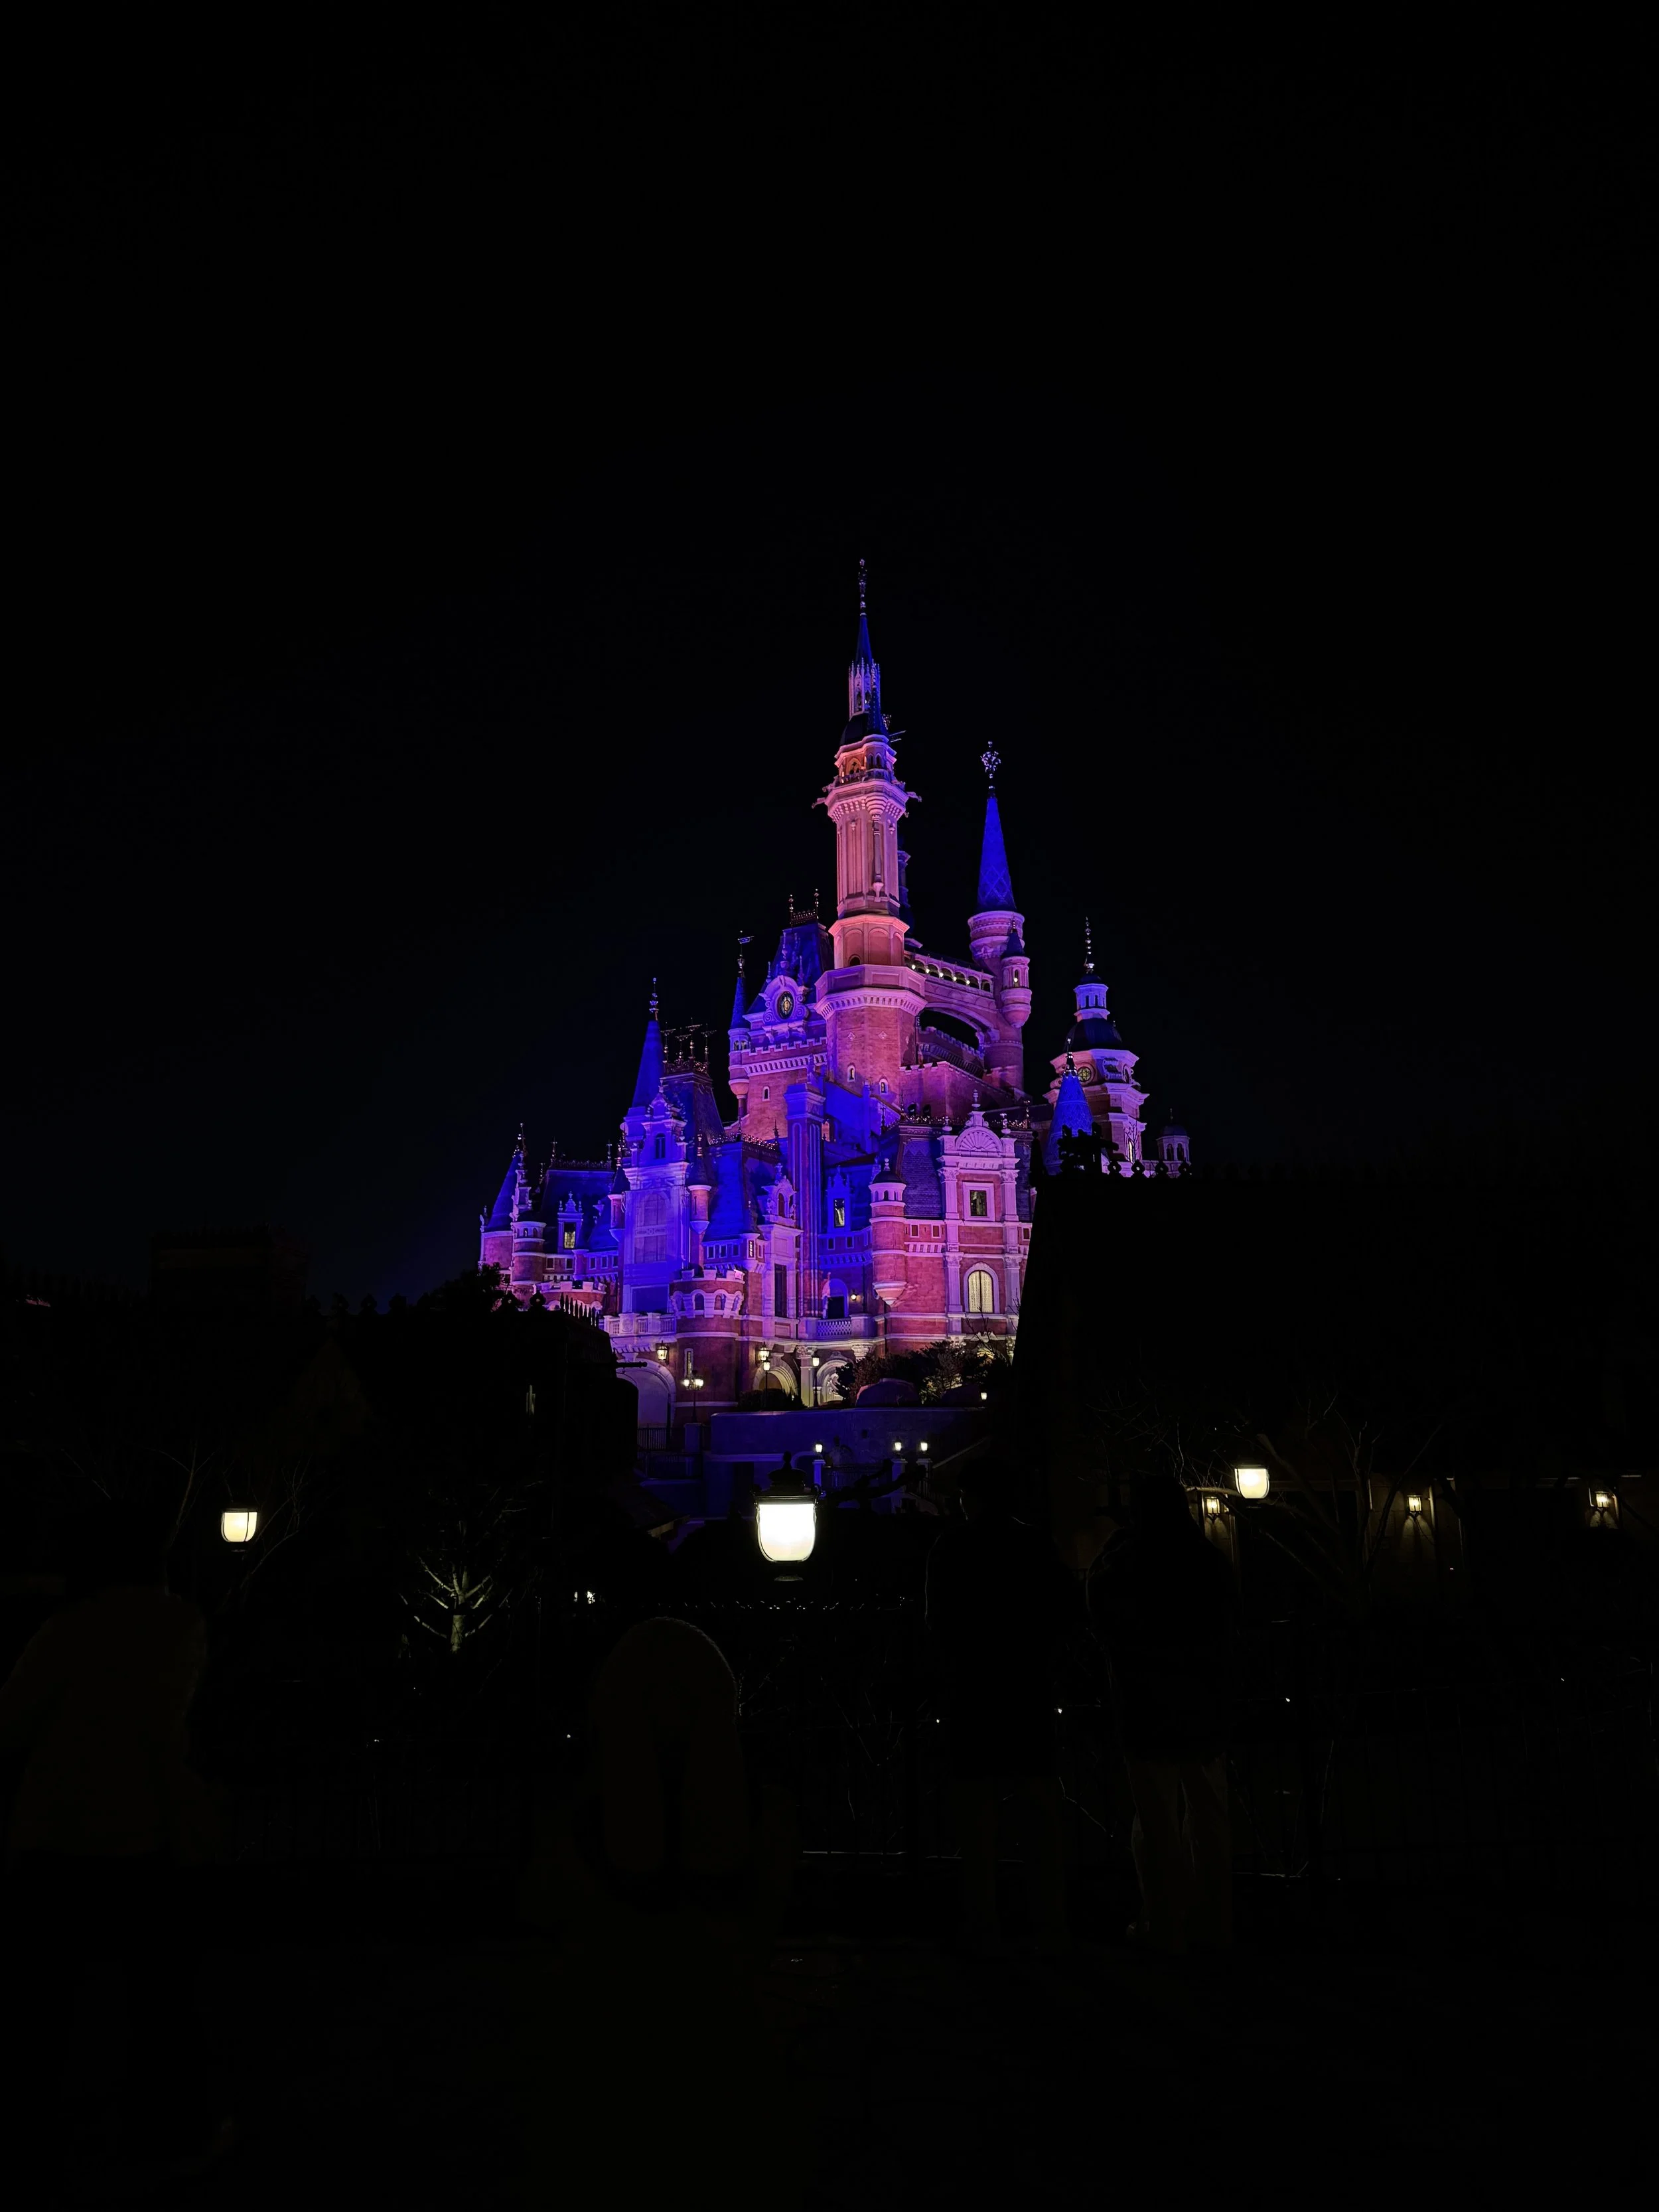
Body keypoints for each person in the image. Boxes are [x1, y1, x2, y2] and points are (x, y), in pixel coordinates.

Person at [0, 1498, 232, 2173]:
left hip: (53, 1835)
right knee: (162, 2002)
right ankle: (170, 2133)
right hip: (144, 1834)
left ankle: (30, 2137)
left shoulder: (66, 1629)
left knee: (40, 2009)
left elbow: (11, 1721)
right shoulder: (179, 1624)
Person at [924, 1453, 1078, 1955]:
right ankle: (1049, 1920)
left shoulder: (953, 1547)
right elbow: (1064, 1611)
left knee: (977, 1819)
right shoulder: (1035, 1544)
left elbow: (938, 1623)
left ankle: (982, 1921)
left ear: (971, 1498)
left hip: (974, 1692)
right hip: (1027, 1689)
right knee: (1040, 1813)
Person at [1092, 1475, 1241, 1957]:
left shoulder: (1126, 1561)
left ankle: (1165, 1924)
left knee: (1156, 1822)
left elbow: (1100, 1611)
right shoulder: (1206, 1560)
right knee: (1209, 1817)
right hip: (1202, 1704)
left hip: (1147, 1706)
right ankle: (1214, 1923)